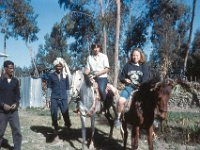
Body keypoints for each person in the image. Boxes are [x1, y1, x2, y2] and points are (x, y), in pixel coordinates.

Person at [114, 48, 149, 128]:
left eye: (137, 55)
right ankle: (118, 118)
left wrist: (142, 85)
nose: (135, 57)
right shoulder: (127, 65)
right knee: (120, 101)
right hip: (129, 87)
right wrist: (125, 79)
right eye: (133, 55)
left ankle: (152, 120)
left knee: (150, 102)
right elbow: (121, 76)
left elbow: (146, 77)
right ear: (131, 56)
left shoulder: (144, 66)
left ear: (140, 56)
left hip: (141, 89)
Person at [0, 60, 22, 150]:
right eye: (10, 68)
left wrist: (16, 104)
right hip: (2, 112)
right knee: (0, 132)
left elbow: (18, 95)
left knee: (17, 131)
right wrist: (2, 104)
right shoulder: (0, 80)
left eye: (13, 68)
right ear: (5, 69)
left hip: (13, 112)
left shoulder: (15, 81)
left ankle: (17, 148)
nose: (12, 70)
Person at [47, 57, 71, 132]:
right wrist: (48, 99)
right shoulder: (51, 75)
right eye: (57, 66)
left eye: (60, 66)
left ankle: (67, 128)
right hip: (54, 98)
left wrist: (69, 97)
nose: (59, 68)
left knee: (65, 114)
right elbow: (49, 87)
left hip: (64, 98)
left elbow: (67, 87)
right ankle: (55, 128)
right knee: (54, 113)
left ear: (62, 66)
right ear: (55, 66)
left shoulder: (65, 75)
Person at [84, 42, 110, 112]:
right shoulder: (89, 57)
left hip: (102, 77)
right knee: (83, 88)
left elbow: (107, 69)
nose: (96, 49)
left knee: (101, 89)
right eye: (94, 47)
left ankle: (105, 105)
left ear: (100, 48)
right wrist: (85, 73)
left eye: (97, 47)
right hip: (92, 77)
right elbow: (88, 69)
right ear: (92, 49)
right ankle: (81, 106)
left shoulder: (104, 56)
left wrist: (97, 74)